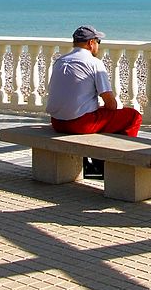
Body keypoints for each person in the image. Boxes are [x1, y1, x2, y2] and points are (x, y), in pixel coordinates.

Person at [45, 25, 143, 178]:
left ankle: (96, 165)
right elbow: (111, 104)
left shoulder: (60, 61)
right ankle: (122, 166)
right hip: (79, 123)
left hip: (57, 122)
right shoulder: (94, 63)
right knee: (132, 117)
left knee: (104, 118)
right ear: (91, 43)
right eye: (98, 42)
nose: (98, 45)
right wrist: (117, 106)